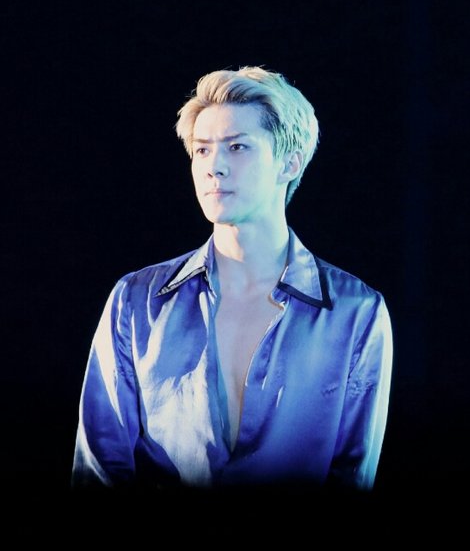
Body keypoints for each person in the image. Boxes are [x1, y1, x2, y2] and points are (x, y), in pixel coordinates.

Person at [72, 66, 393, 492]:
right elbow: (99, 471)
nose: (214, 167)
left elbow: (352, 475)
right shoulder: (136, 301)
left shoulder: (356, 312)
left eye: (237, 147)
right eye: (202, 150)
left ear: (290, 163)